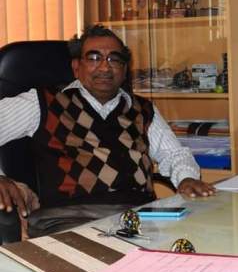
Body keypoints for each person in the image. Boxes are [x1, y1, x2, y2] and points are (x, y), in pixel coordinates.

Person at [0, 25, 216, 242]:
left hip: (140, 219)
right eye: (94, 58)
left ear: (124, 70)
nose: (105, 67)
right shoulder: (44, 102)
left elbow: (174, 154)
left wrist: (186, 178)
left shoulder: (143, 109)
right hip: (69, 221)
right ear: (76, 67)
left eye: (114, 59)